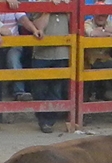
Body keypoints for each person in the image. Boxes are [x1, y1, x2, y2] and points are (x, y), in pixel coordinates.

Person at [0, 0, 43, 132]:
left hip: (12, 41)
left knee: (13, 60)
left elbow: (23, 19)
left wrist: (34, 30)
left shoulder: (13, 3)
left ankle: (19, 91)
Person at [30, 0, 70, 133]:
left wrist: (65, 6)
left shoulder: (67, 3)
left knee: (56, 90)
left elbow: (74, 23)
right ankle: (42, 119)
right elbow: (38, 26)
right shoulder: (40, 3)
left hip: (62, 53)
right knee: (39, 89)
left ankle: (48, 121)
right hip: (42, 54)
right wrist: (49, 8)